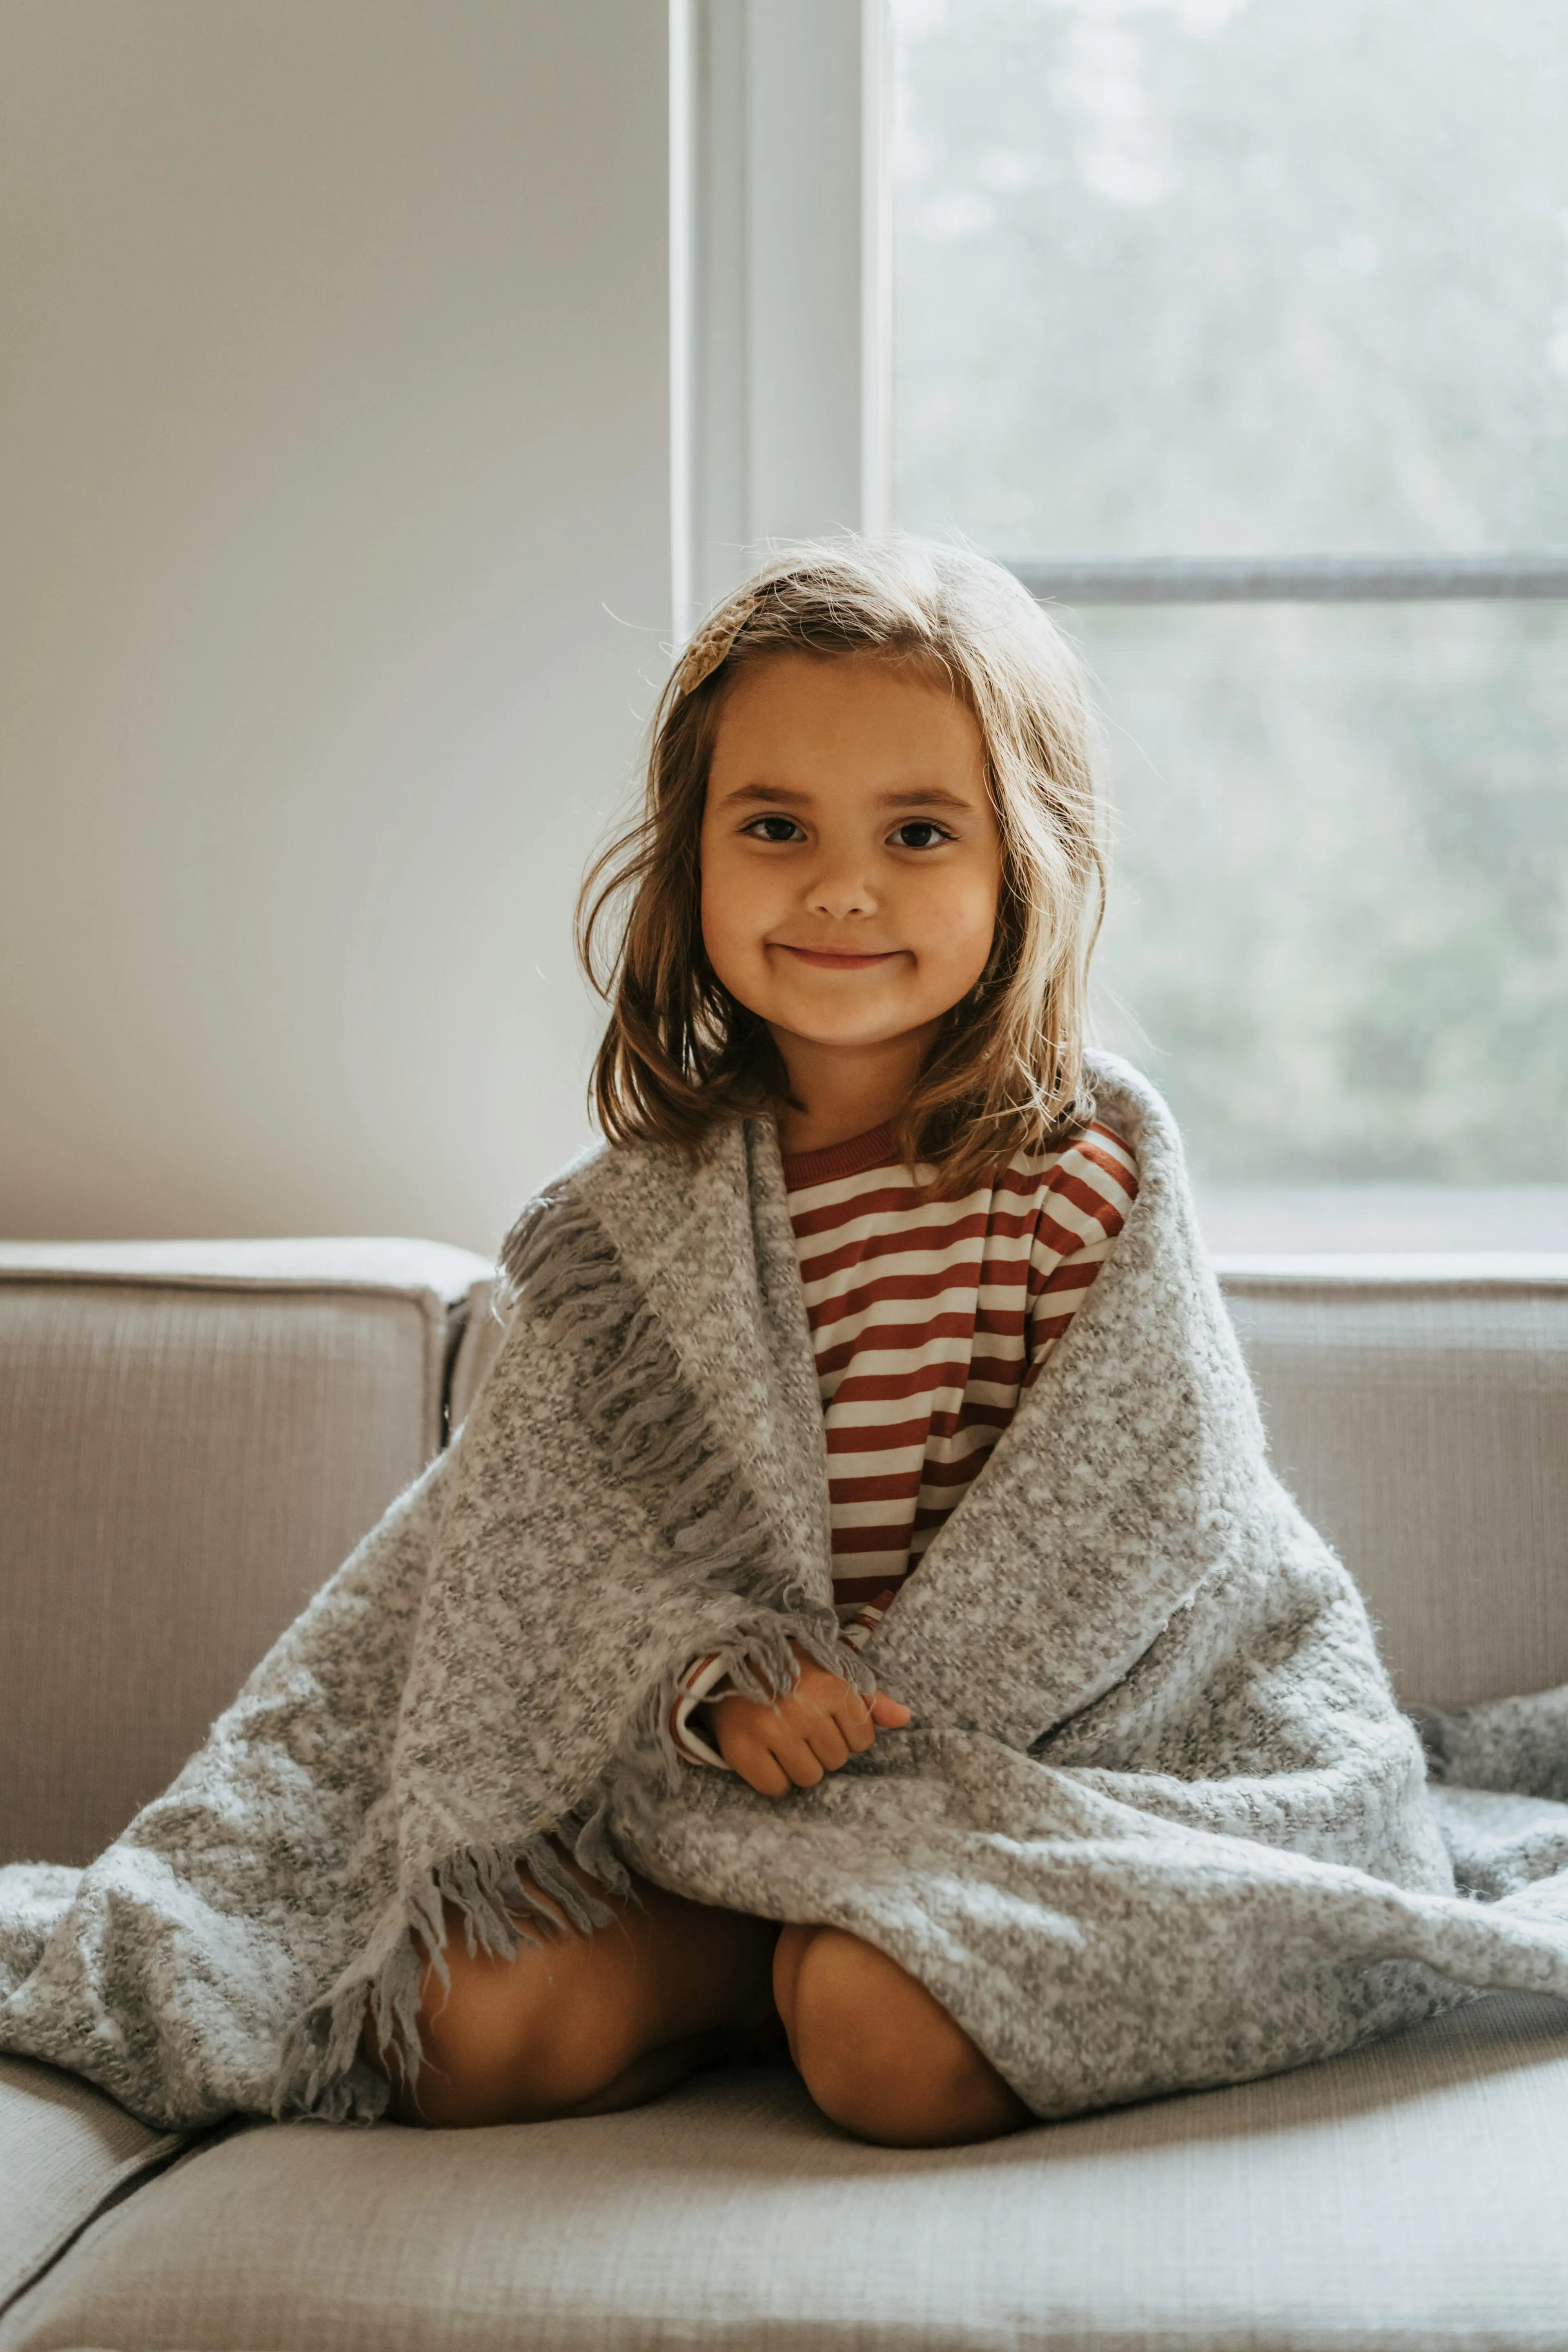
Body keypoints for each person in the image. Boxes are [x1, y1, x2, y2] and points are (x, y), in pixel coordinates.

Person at [374, 537, 1138, 2146]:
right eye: (775, 827)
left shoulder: (1069, 1179)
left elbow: (1133, 1528)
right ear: (690, 864)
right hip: (732, 1816)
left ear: (1026, 865)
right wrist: (712, 1694)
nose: (842, 886)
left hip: (1017, 1794)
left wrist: (886, 1742)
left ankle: (839, 1966)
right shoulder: (621, 1239)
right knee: (456, 2030)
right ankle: (751, 1970)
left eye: (920, 833)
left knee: (888, 2049)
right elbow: (547, 1575)